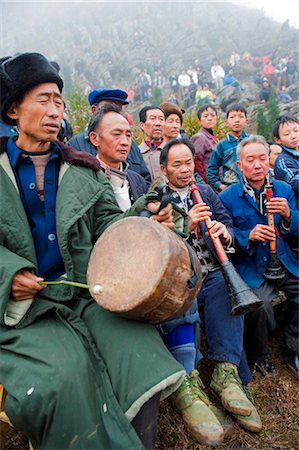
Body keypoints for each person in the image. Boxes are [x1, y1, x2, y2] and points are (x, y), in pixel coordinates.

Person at [0, 52, 186, 450]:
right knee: (62, 381)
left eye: (59, 102)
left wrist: (142, 221)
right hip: (25, 314)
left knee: (141, 356)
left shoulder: (81, 169)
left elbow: (107, 229)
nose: (54, 111)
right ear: (13, 109)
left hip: (86, 296)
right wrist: (9, 273)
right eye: (43, 100)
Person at [159, 137, 262, 444]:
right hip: (181, 277)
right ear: (164, 170)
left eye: (189, 162)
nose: (184, 169)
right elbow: (154, 242)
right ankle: (188, 381)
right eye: (176, 164)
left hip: (214, 269)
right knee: (189, 296)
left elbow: (228, 223)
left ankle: (225, 374)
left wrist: (224, 233)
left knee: (224, 290)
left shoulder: (204, 191)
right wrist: (186, 225)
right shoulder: (157, 199)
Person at [220, 135, 299, 378]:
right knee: (261, 306)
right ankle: (260, 356)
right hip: (252, 266)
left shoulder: (283, 189)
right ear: (239, 165)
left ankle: (292, 345)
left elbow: (295, 232)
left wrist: (288, 216)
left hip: (283, 261)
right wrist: (248, 236)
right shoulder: (228, 197)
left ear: (269, 161)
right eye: (250, 159)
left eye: (262, 158)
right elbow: (227, 236)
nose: (257, 165)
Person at [68, 87, 151, 184]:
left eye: (118, 110)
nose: (114, 114)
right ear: (94, 110)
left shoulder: (131, 145)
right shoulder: (76, 145)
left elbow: (145, 181)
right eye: (107, 108)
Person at [88, 104, 148, 210]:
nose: (125, 142)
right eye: (116, 134)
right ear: (95, 138)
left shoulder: (138, 181)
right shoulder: (86, 181)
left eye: (128, 135)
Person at [207, 104, 249, 192]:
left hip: (251, 187)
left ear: (246, 122)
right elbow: (211, 170)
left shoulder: (252, 142)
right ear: (226, 122)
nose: (237, 120)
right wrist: (220, 186)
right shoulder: (222, 145)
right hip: (230, 189)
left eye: (241, 117)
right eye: (232, 117)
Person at [273, 115, 299, 210]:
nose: (293, 136)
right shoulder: (282, 161)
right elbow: (294, 180)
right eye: (287, 134)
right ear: (278, 140)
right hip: (294, 210)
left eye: (296, 131)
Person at [138, 105, 166, 187]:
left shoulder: (173, 151)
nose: (158, 123)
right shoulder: (137, 153)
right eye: (153, 119)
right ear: (142, 125)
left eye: (161, 119)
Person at [191, 104, 219, 183]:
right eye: (205, 116)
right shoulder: (199, 138)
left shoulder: (214, 138)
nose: (210, 118)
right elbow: (197, 163)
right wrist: (206, 183)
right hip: (209, 184)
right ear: (200, 121)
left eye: (213, 115)